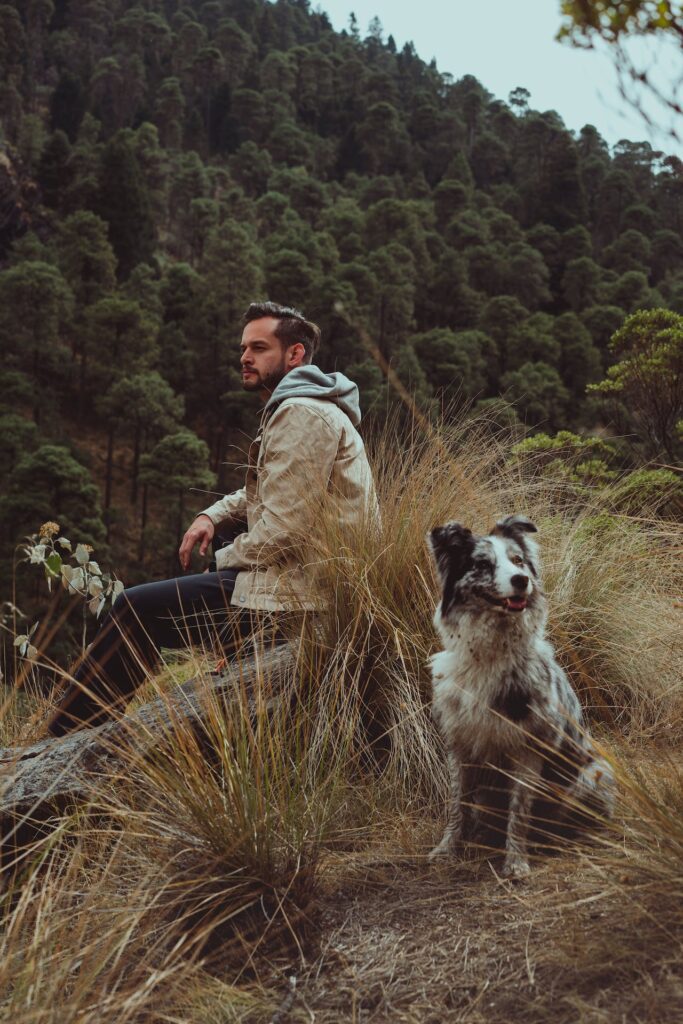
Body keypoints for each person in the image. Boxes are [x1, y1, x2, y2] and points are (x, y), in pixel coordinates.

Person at [47, 301, 377, 735]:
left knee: (135, 608)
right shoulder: (305, 406)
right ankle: (83, 737)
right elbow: (271, 488)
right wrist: (212, 515)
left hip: (303, 592)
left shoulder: (302, 414)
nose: (245, 357)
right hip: (304, 579)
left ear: (295, 355)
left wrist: (219, 563)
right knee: (178, 588)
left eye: (259, 347)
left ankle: (63, 743)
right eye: (244, 347)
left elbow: (286, 529)